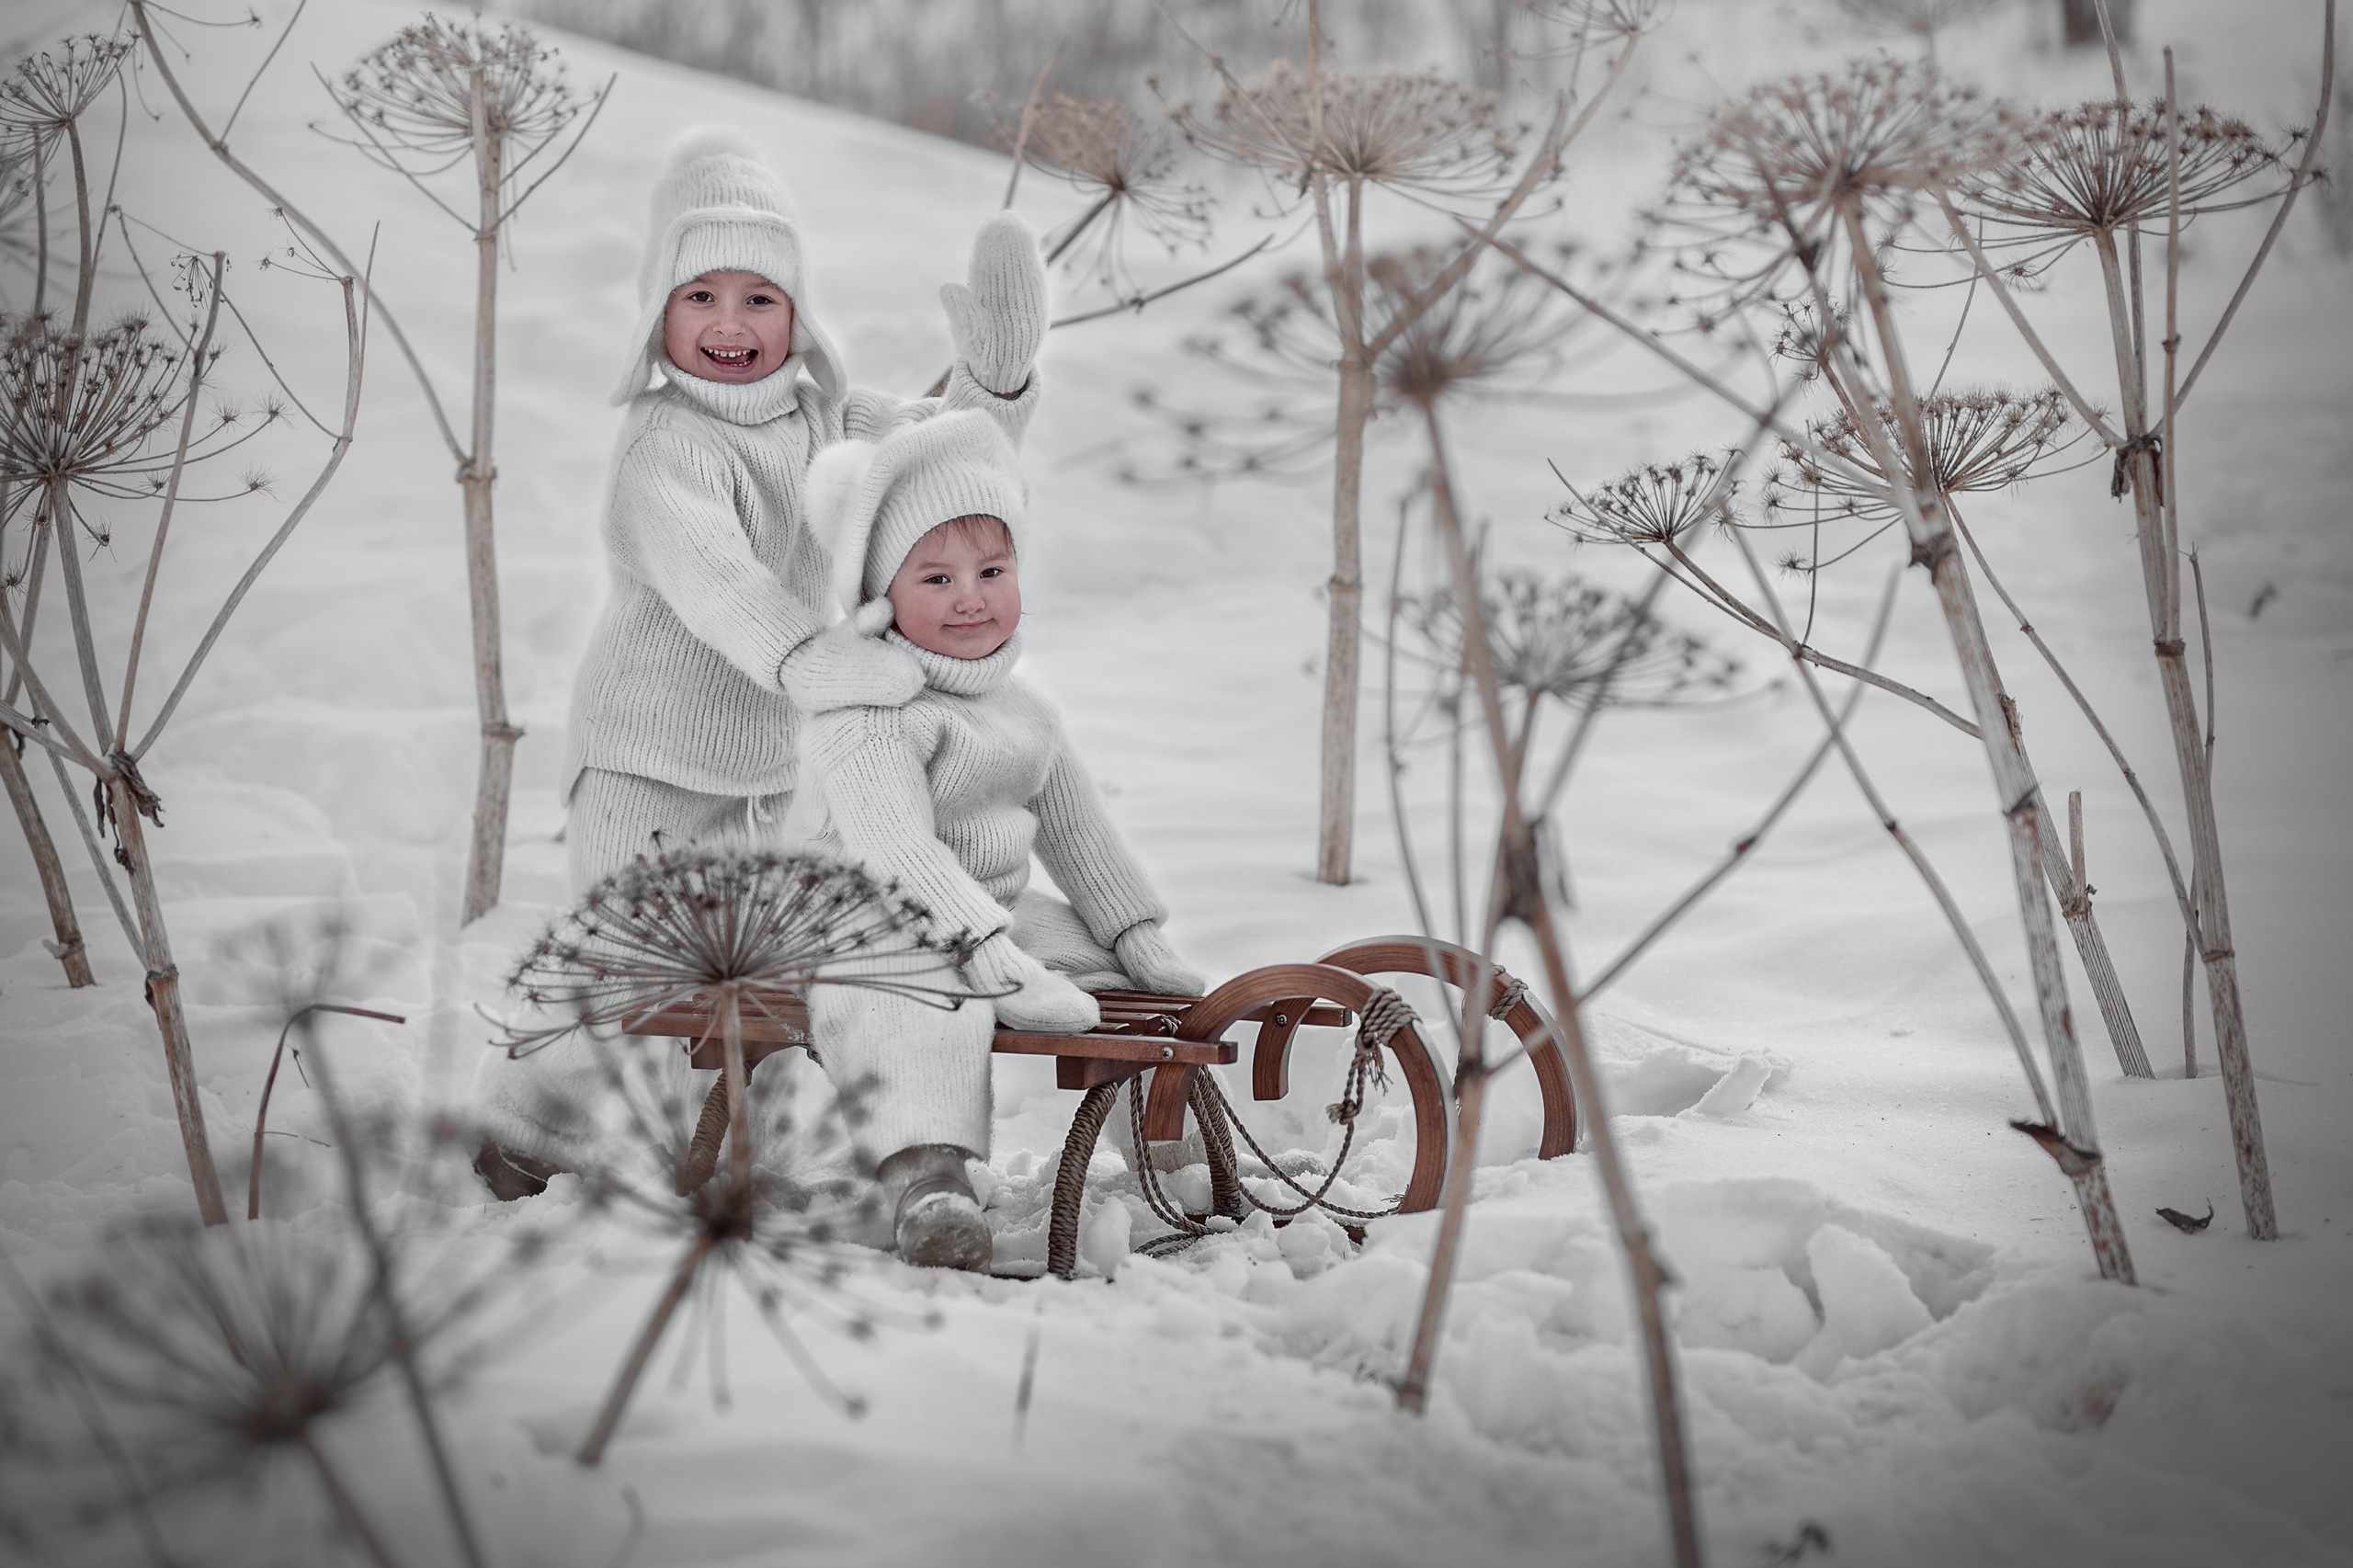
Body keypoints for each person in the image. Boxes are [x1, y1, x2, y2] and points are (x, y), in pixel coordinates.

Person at [473, 128, 1047, 1190]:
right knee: (629, 966)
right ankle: (524, 1130)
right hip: (647, 762)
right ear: (659, 315)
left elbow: (939, 466)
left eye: (759, 296)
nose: (730, 323)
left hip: (771, 763)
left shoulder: (823, 411)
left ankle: (749, 1138)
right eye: (701, 297)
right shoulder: (664, 445)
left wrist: (995, 383)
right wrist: (811, 658)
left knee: (752, 971)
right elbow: (717, 582)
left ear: (797, 313)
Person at [789, 411, 1205, 1268]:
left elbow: (1081, 835)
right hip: (865, 924)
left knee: (1110, 968)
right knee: (920, 995)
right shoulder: (870, 714)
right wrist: (987, 955)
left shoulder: (1023, 712)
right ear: (882, 595)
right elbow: (899, 854)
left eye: (991, 569)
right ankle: (925, 1178)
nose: (970, 596)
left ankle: (1175, 1152)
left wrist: (1135, 933)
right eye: (935, 578)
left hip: (995, 911)